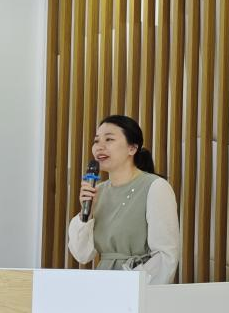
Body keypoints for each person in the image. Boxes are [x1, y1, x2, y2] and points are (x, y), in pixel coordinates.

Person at [67, 115, 180, 284]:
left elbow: (166, 256)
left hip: (138, 285)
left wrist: (129, 286)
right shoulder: (98, 191)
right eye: (96, 141)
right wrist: (86, 215)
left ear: (132, 148)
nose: (99, 147)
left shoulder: (156, 187)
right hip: (102, 283)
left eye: (109, 139)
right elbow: (82, 255)